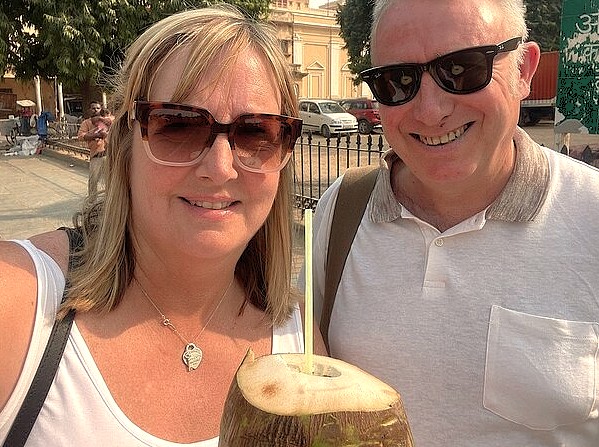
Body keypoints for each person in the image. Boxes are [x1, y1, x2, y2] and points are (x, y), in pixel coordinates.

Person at [0, 5, 325, 446]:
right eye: (178, 126)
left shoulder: (301, 340)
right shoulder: (18, 301)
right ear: (124, 145)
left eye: (255, 133)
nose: (220, 168)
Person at [306, 0, 599, 445]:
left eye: (463, 69)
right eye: (397, 80)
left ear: (524, 70)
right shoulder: (342, 212)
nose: (430, 110)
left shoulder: (590, 216)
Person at [78, 100, 110, 196]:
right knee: (93, 182)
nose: (95, 110)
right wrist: (96, 135)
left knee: (110, 181)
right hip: (96, 157)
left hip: (109, 155)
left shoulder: (107, 120)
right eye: (93, 108)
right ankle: (91, 204)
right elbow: (81, 136)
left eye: (97, 108)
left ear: (101, 109)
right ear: (89, 110)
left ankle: (109, 203)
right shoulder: (86, 123)